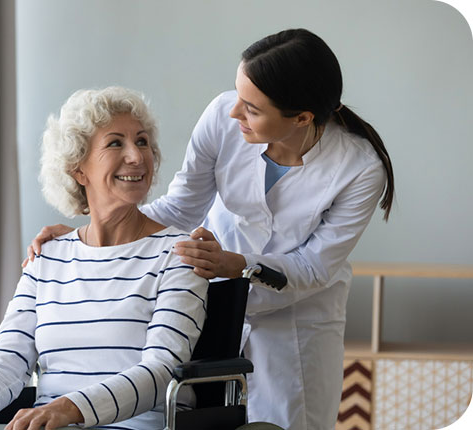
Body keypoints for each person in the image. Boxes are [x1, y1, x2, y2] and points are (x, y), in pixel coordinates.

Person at [24, 29, 395, 430]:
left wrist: (237, 264)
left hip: (296, 324)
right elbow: (182, 206)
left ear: (302, 118)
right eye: (238, 95)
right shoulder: (222, 117)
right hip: (209, 298)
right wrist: (97, 232)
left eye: (251, 109)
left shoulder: (359, 168)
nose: (234, 112)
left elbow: (314, 267)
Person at [0, 87, 208, 430]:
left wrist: (69, 408)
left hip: (136, 423)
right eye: (115, 144)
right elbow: (8, 356)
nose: (137, 157)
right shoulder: (48, 255)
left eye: (142, 142)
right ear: (78, 170)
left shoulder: (180, 253)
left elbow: (162, 370)